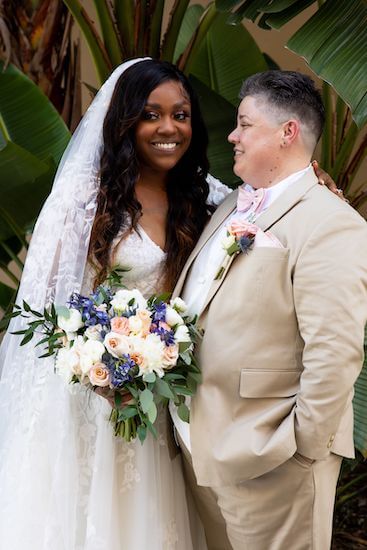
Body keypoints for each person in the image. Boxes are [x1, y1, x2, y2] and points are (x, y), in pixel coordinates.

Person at [0, 57, 338, 550]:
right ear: (125, 121)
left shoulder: (208, 200)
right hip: (92, 407)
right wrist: (95, 365)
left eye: (180, 115)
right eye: (151, 114)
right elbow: (48, 310)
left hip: (166, 410)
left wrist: (316, 186)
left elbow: (274, 209)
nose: (168, 128)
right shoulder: (83, 204)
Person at [172, 70, 367, 550]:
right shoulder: (231, 206)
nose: (231, 136)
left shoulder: (332, 223)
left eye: (244, 124)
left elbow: (336, 349)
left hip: (272, 457)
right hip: (206, 448)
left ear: (288, 132)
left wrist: (301, 449)